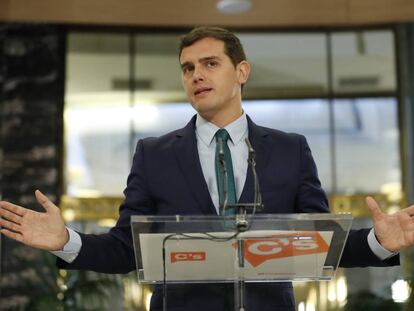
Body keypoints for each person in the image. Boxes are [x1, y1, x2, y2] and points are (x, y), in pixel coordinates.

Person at [1, 26, 414, 311]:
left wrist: (378, 241)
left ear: (241, 72)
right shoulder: (154, 154)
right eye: (188, 68)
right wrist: (66, 241)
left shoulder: (290, 149)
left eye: (210, 63)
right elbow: (126, 250)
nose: (196, 74)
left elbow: (319, 243)